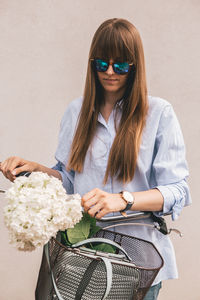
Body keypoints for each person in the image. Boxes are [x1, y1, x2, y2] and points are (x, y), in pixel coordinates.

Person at [0, 18, 191, 299]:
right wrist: (37, 171)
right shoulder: (76, 112)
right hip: (81, 257)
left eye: (121, 65)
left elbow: (178, 191)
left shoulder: (159, 114)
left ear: (135, 66)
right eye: (102, 64)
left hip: (136, 263)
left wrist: (122, 199)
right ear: (92, 64)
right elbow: (68, 181)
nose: (110, 72)